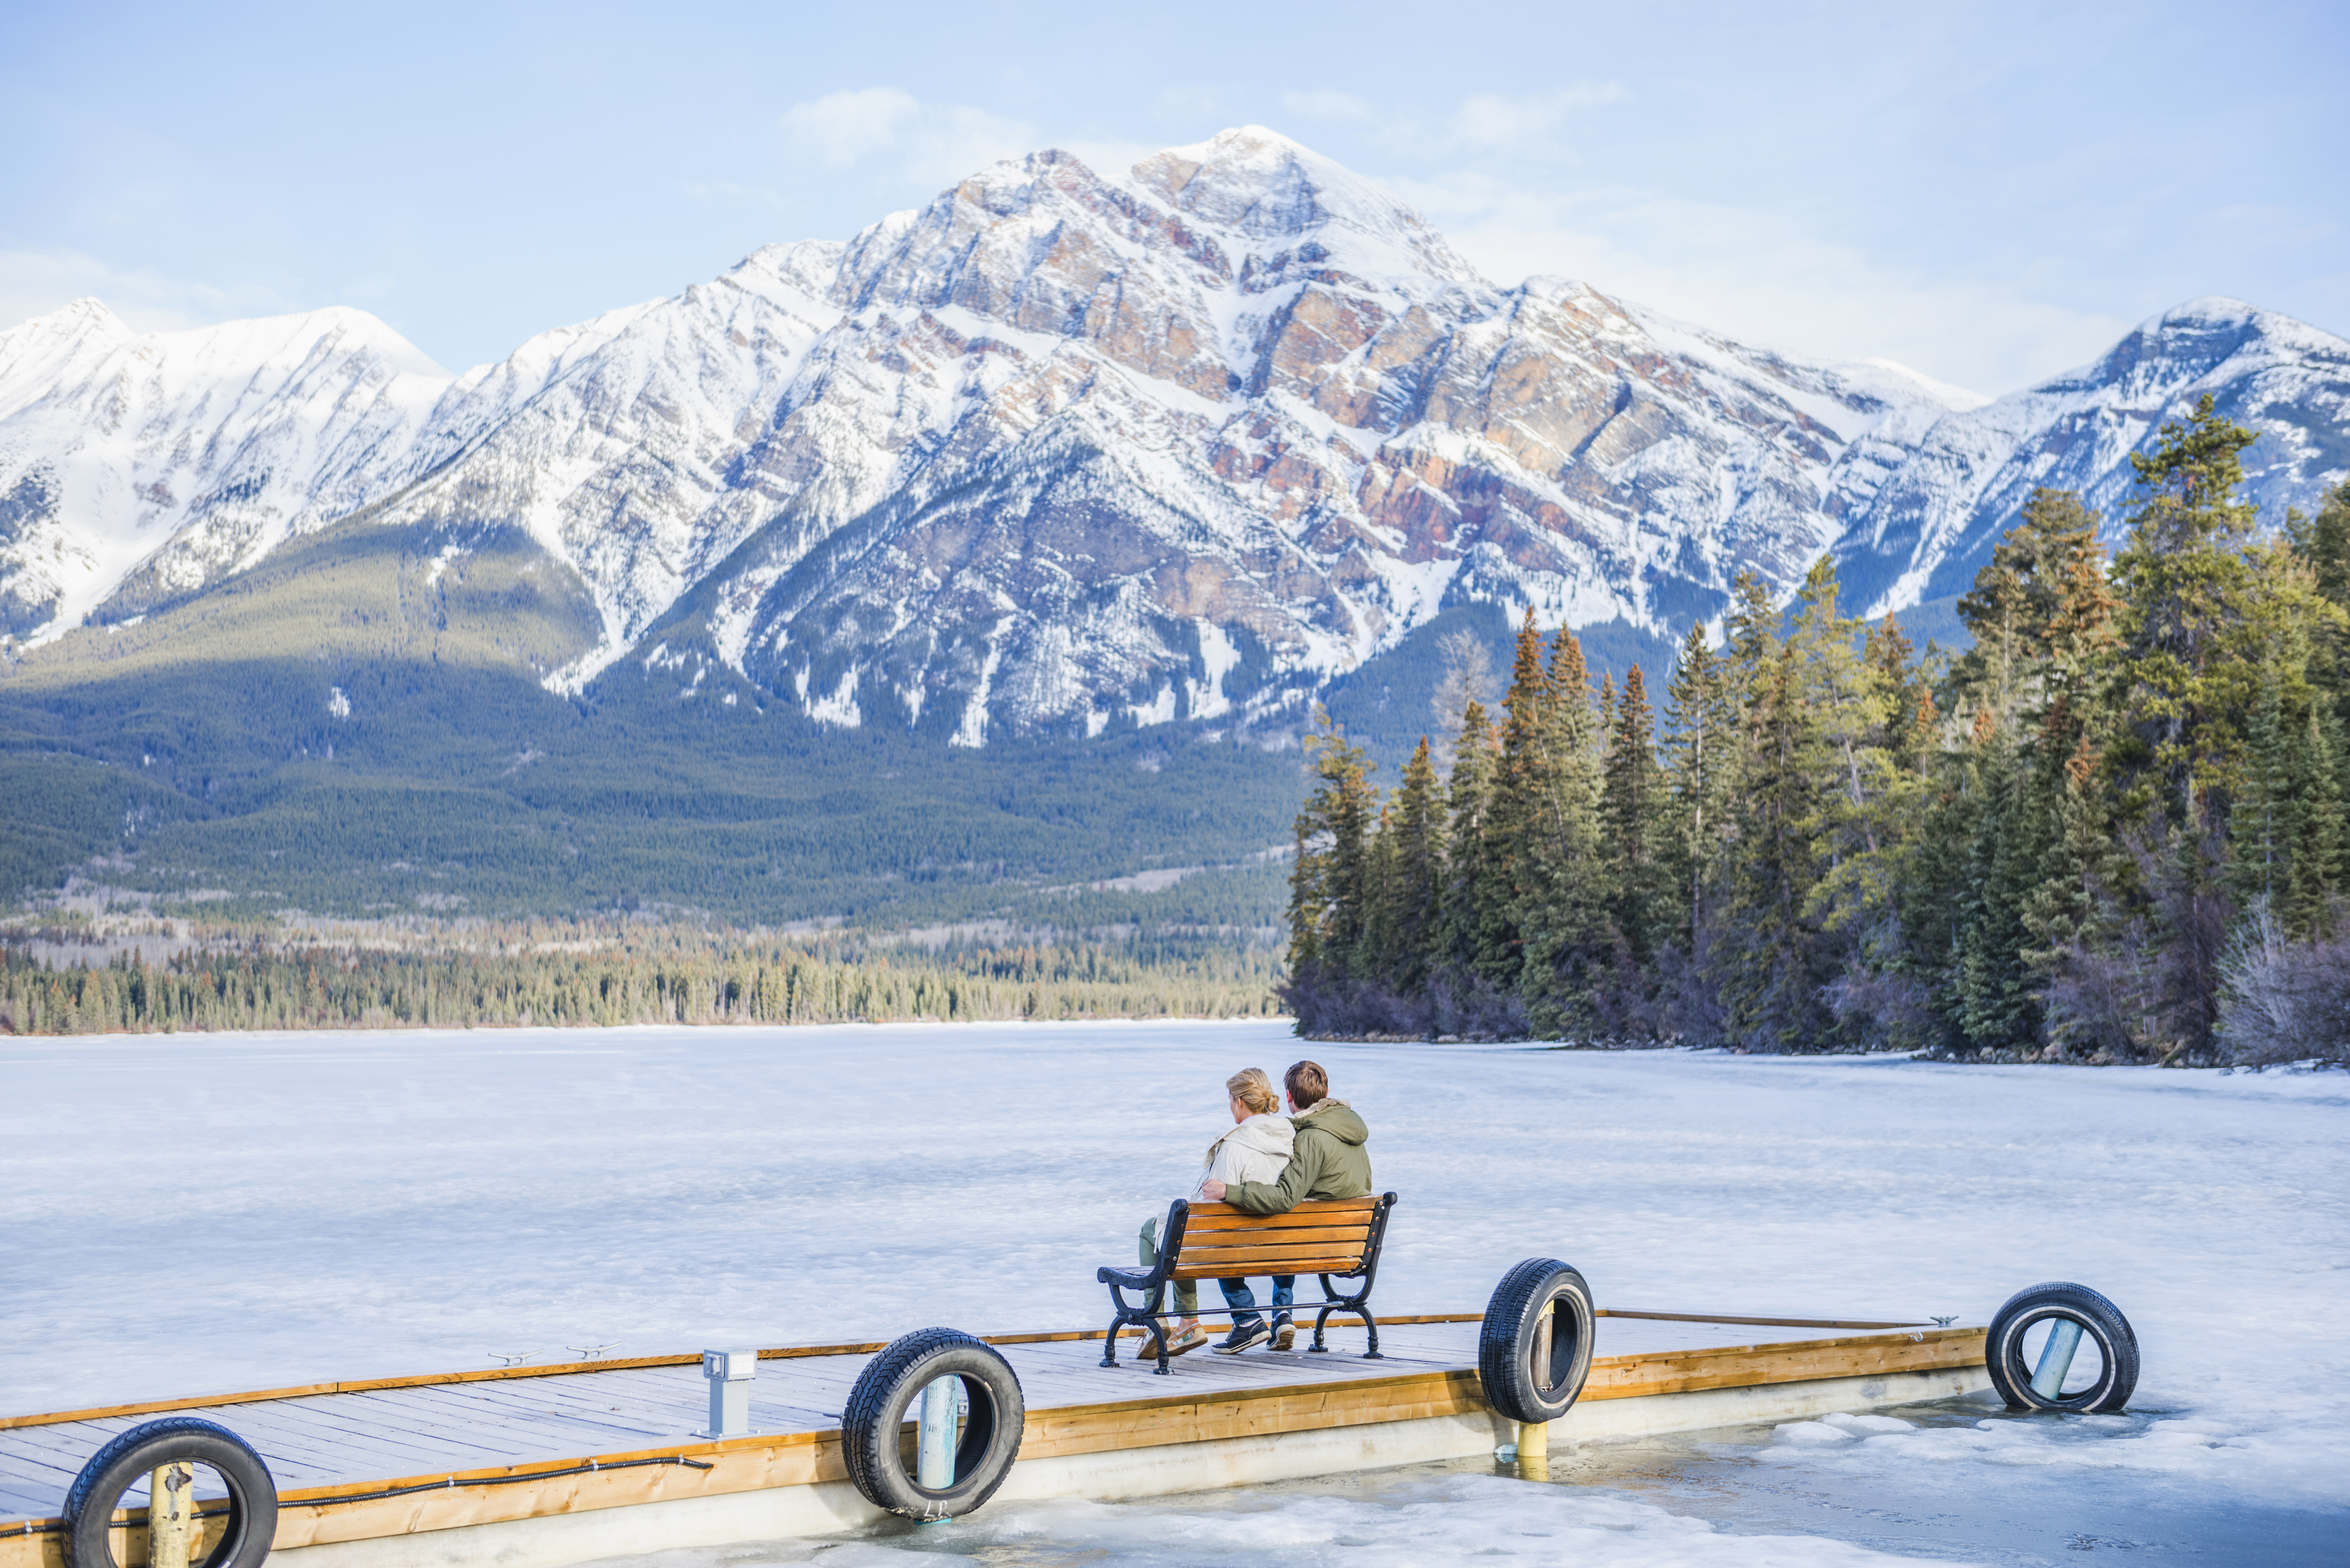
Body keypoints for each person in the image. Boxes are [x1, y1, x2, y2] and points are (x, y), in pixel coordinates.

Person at [1199, 1059, 1372, 1353]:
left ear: (1289, 1098)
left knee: (1280, 1219)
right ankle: (1281, 1313)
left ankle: (1250, 1319)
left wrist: (1230, 1190)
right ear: (1327, 1091)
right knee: (1290, 1226)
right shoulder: (1352, 1131)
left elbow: (1284, 1198)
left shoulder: (1309, 1138)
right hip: (1348, 1246)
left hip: (1309, 1244)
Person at [1136, 1068, 1294, 1359]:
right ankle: (1187, 1323)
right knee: (1176, 1230)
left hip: (1229, 1248)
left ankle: (1162, 1321)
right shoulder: (1289, 1142)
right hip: (1275, 1248)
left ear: (1239, 1102)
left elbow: (1209, 1212)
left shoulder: (1235, 1146)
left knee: (1157, 1230)